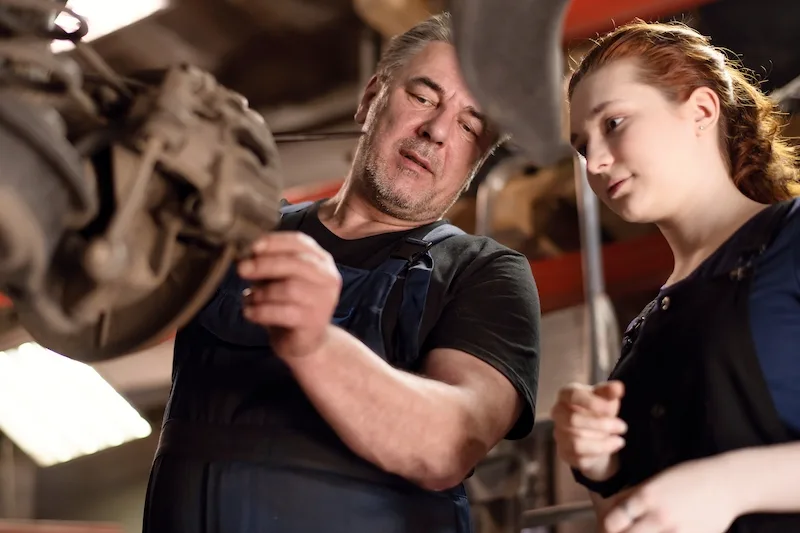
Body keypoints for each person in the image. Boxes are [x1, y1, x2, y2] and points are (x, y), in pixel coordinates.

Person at [142, 12, 541, 533]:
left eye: (469, 125)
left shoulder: (485, 274)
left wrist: (316, 344)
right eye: (423, 97)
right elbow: (86, 315)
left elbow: (449, 444)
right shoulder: (234, 231)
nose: (437, 131)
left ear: (475, 161)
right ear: (371, 96)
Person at [551, 20, 800, 533]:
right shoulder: (644, 330)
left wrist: (730, 485)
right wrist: (599, 465)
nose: (595, 162)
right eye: (581, 147)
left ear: (702, 111)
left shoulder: (793, 237)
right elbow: (633, 514)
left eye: (614, 123)